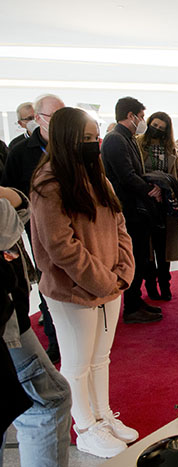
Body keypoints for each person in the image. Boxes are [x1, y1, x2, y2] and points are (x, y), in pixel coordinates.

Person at [30, 107, 138, 458]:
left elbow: (119, 224)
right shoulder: (49, 183)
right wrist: (103, 279)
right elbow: (61, 247)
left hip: (108, 285)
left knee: (100, 358)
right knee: (77, 361)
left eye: (96, 138)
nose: (94, 145)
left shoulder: (97, 176)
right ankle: (86, 427)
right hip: (73, 291)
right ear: (67, 139)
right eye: (87, 139)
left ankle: (103, 415)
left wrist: (122, 271)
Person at [1, 184, 71, 466]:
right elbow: (9, 225)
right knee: (49, 401)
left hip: (12, 315)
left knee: (50, 398)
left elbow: (18, 207)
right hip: (8, 321)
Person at [2, 94, 65, 363]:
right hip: (37, 229)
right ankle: (54, 337)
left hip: (73, 226)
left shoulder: (69, 146)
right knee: (47, 280)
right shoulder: (20, 152)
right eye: (54, 116)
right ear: (38, 118)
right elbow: (12, 194)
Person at [102, 97, 163, 324]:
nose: (143, 121)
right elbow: (127, 176)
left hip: (135, 208)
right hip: (128, 209)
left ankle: (136, 301)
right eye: (142, 117)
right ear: (131, 116)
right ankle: (131, 307)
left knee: (140, 257)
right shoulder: (115, 139)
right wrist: (151, 190)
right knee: (133, 257)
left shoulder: (125, 138)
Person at [137, 111, 178, 301]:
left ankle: (165, 284)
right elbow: (134, 172)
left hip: (165, 208)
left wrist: (164, 191)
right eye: (154, 126)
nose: (156, 130)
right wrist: (150, 188)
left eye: (161, 129)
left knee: (163, 251)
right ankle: (150, 285)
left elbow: (177, 178)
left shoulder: (170, 149)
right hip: (144, 204)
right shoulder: (138, 144)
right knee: (147, 252)